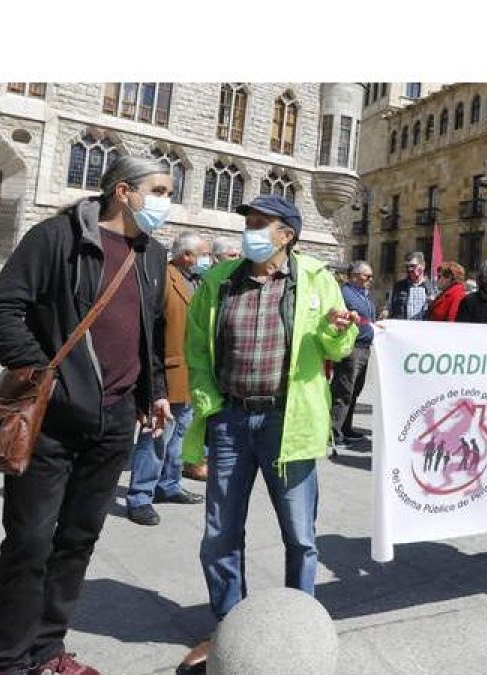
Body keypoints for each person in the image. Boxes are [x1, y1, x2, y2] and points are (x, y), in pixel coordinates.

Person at [0, 157, 172, 675]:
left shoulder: (152, 254)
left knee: (78, 541)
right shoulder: (56, 238)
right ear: (124, 192)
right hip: (51, 423)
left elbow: (147, 332)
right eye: (159, 190)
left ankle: (47, 650)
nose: (166, 202)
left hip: (114, 424)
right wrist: (47, 377)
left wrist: (155, 392)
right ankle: (9, 663)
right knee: (30, 543)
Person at [177, 195, 358, 672]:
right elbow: (196, 348)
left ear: (287, 234)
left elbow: (335, 347)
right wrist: (210, 407)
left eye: (262, 224)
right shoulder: (219, 280)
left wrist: (341, 331)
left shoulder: (317, 280)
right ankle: (228, 625)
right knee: (220, 532)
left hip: (287, 422)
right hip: (232, 421)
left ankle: (300, 628)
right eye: (249, 224)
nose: (250, 232)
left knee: (300, 535)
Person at [125, 233, 209, 525]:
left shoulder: (198, 280)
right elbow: (152, 330)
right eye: (202, 254)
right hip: (167, 373)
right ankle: (140, 496)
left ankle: (169, 485)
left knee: (179, 438)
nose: (206, 260)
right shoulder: (165, 278)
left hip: (192, 374)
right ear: (186, 255)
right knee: (156, 437)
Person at [329, 260, 375, 455]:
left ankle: (346, 428)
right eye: (367, 276)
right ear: (355, 276)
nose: (370, 280)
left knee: (354, 391)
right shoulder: (344, 293)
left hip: (364, 348)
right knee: (343, 391)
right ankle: (334, 432)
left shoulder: (363, 294)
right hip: (351, 348)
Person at [382, 251, 437, 320]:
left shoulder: (433, 288)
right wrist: (385, 312)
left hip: (424, 328)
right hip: (403, 327)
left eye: (413, 266)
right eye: (407, 266)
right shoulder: (398, 287)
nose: (409, 269)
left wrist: (433, 303)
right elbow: (388, 307)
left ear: (422, 266)